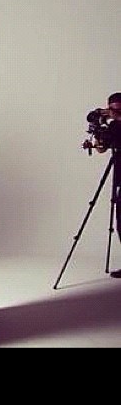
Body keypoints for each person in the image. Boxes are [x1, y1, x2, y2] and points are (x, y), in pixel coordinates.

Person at [92, 92, 121, 278]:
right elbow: (101, 149)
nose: (113, 113)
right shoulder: (113, 126)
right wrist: (97, 130)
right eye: (111, 109)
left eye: (117, 109)